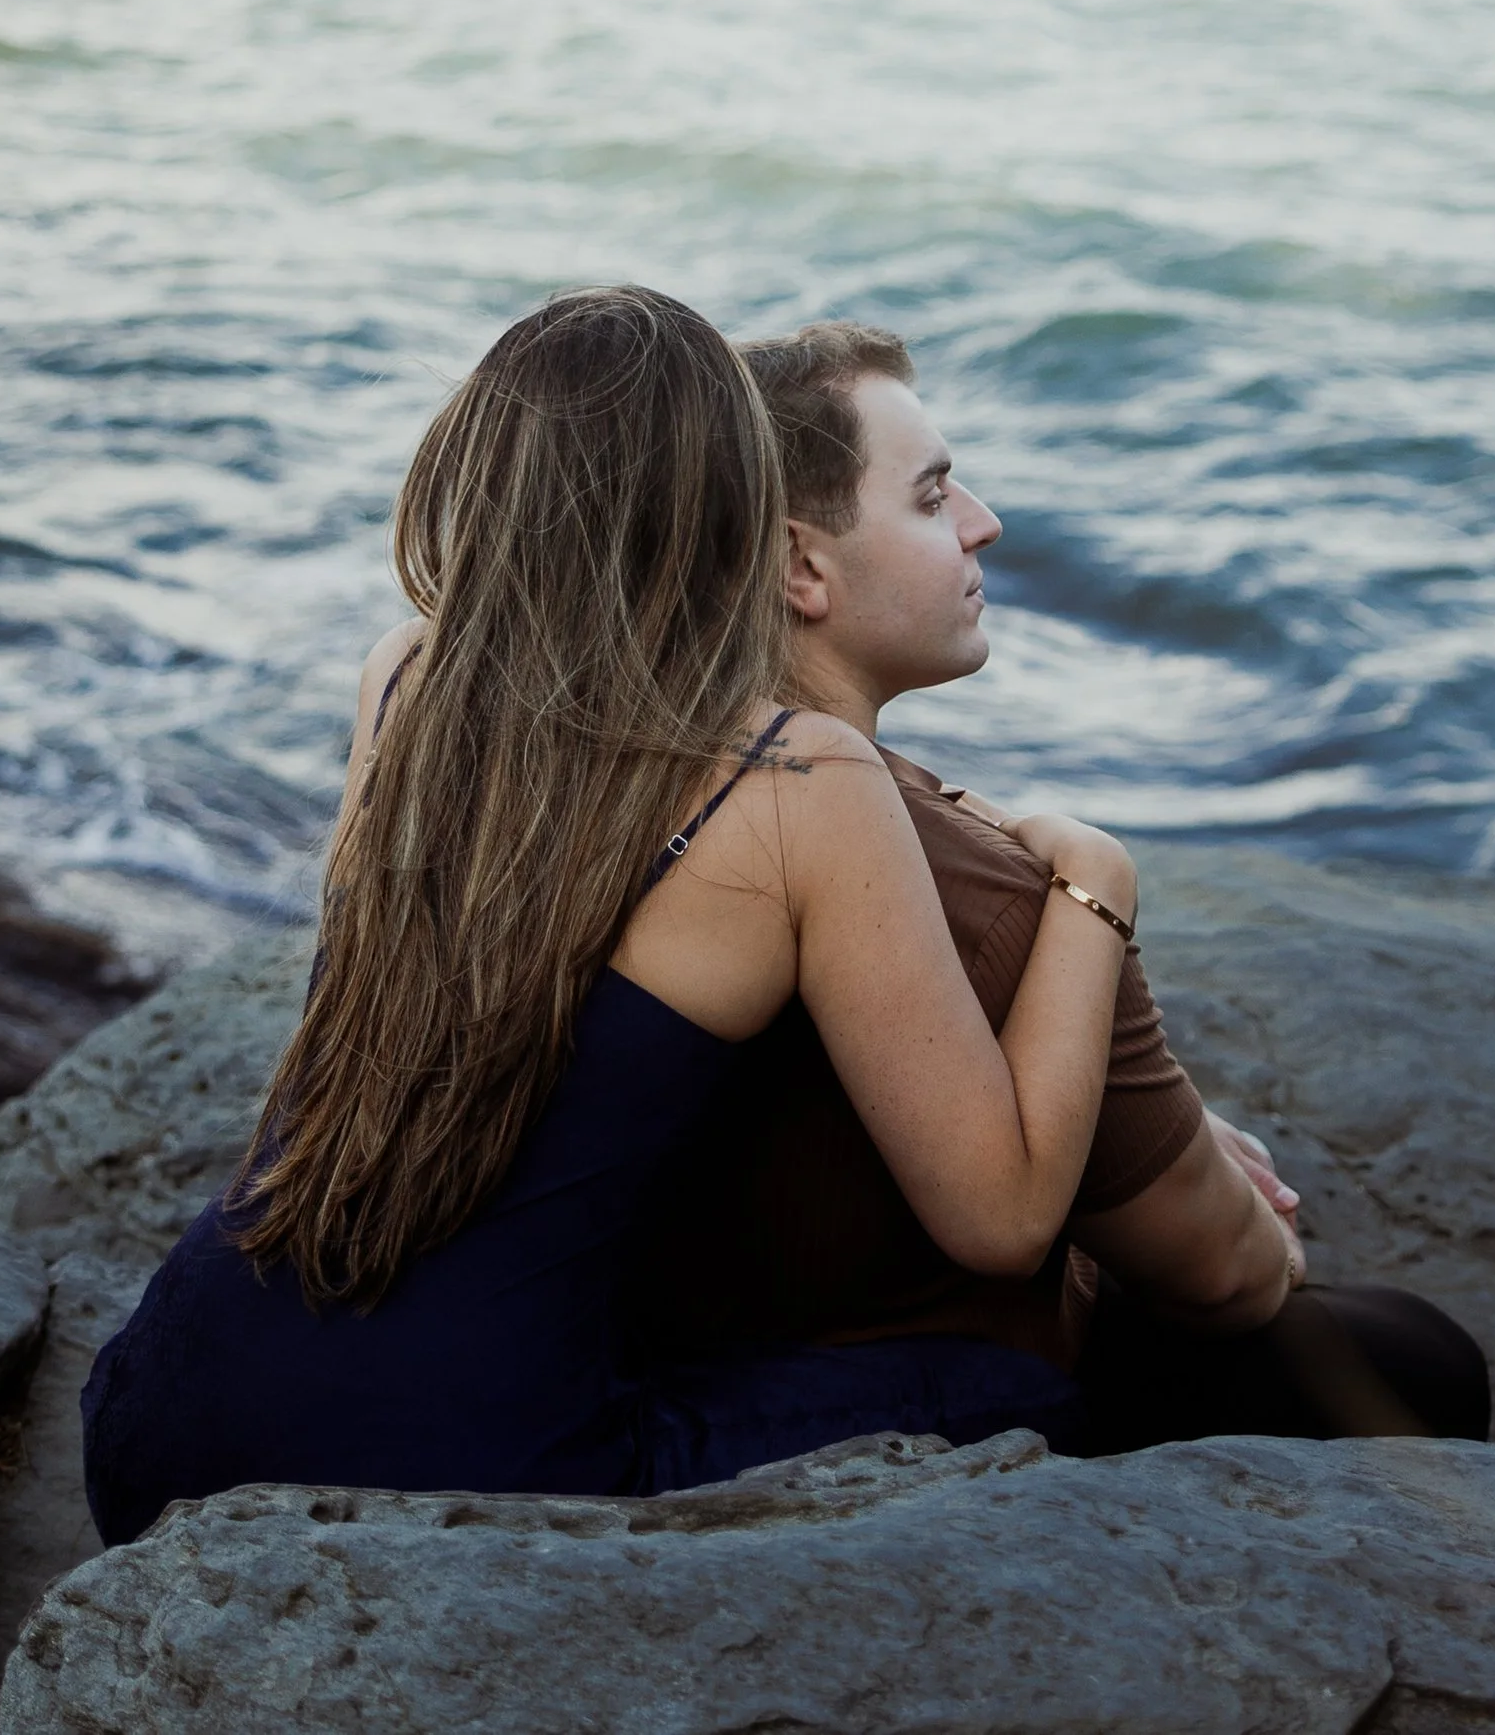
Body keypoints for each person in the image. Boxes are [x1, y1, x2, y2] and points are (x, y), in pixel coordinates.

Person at [79, 286, 1152, 1537]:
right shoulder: (799, 777)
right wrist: (1091, 880)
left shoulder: (406, 678)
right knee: (1025, 1389)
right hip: (448, 1468)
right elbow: (1004, 1216)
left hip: (158, 1414)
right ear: (734, 508)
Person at [626, 321, 1489, 1449]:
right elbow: (1225, 1273)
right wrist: (1225, 1206)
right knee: (1417, 1357)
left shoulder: (616, 770)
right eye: (933, 498)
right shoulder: (985, 893)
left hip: (668, 1336)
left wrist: (1133, 1128)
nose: (985, 522)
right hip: (899, 1396)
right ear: (801, 567)